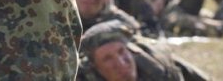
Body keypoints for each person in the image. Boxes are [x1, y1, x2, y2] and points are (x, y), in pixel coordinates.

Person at [77, 20, 210, 81]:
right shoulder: (80, 75)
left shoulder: (158, 66)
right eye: (107, 59)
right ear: (95, 66)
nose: (121, 64)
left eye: (121, 51)